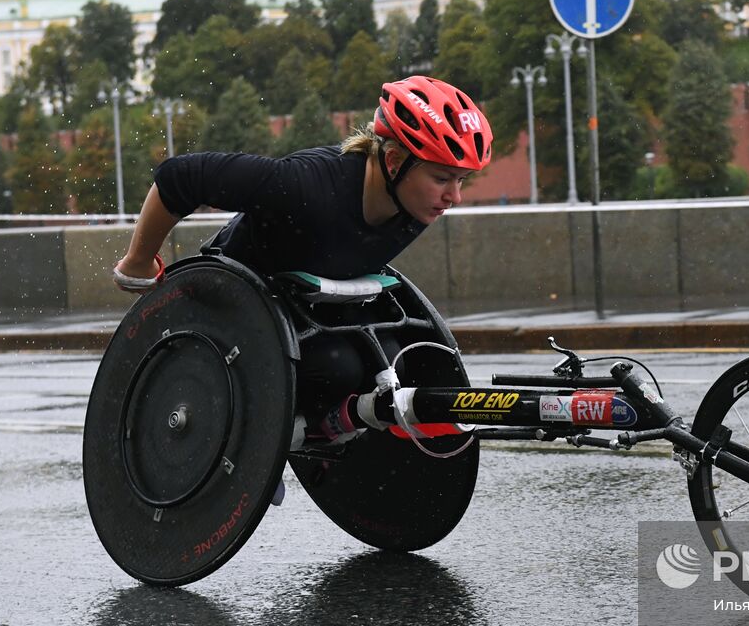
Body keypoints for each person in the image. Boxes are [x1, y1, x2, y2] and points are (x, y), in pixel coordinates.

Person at [113, 75, 492, 466]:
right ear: (394, 162)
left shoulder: (414, 202)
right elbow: (180, 177)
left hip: (310, 306)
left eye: (461, 180)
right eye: (442, 178)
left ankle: (322, 432)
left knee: (400, 358)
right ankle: (270, 438)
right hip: (228, 316)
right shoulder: (305, 185)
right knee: (338, 369)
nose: (454, 197)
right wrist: (138, 262)